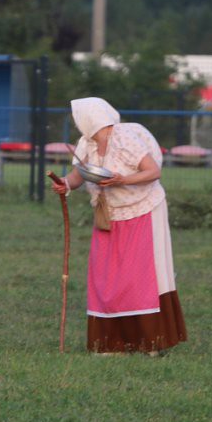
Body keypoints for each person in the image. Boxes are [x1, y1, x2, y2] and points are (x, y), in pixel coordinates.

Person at [51, 96, 187, 355]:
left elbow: (153, 171)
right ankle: (111, 342)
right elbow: (79, 175)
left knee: (139, 277)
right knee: (105, 278)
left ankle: (149, 342)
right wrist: (65, 184)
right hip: (108, 215)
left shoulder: (124, 137)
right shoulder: (86, 144)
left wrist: (122, 180)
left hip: (142, 209)